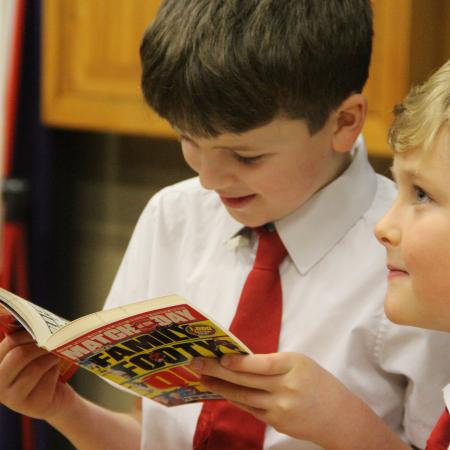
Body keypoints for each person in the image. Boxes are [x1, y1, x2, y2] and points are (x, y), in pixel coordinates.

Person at [0, 1, 449, 449]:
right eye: (188, 140)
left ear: (345, 122)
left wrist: (343, 427)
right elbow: (150, 435)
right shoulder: (174, 216)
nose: (209, 179)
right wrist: (62, 408)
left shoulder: (418, 261)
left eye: (246, 156)